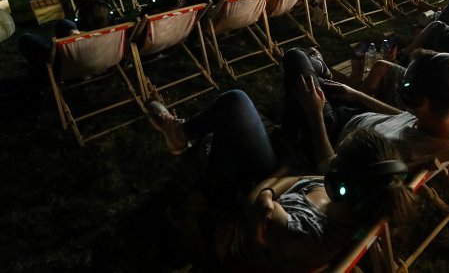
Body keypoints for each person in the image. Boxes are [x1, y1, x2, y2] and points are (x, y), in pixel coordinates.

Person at [147, 92, 414, 271]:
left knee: (221, 135)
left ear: (338, 182)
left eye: (338, 160)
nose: (333, 161)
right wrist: (274, 186)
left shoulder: (302, 232)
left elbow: (256, 204)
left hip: (233, 224)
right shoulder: (354, 201)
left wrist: (272, 185)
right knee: (237, 109)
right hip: (266, 186)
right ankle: (184, 136)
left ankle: (182, 139)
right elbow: (298, 180)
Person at [281, 48, 449, 169]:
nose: (400, 86)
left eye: (405, 86)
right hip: (357, 114)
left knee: (295, 60)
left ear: (420, 101)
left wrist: (315, 114)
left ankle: (292, 140)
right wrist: (357, 95)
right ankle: (318, 68)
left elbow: (329, 167)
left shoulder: (397, 152)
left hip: (331, 132)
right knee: (309, 78)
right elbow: (403, 116)